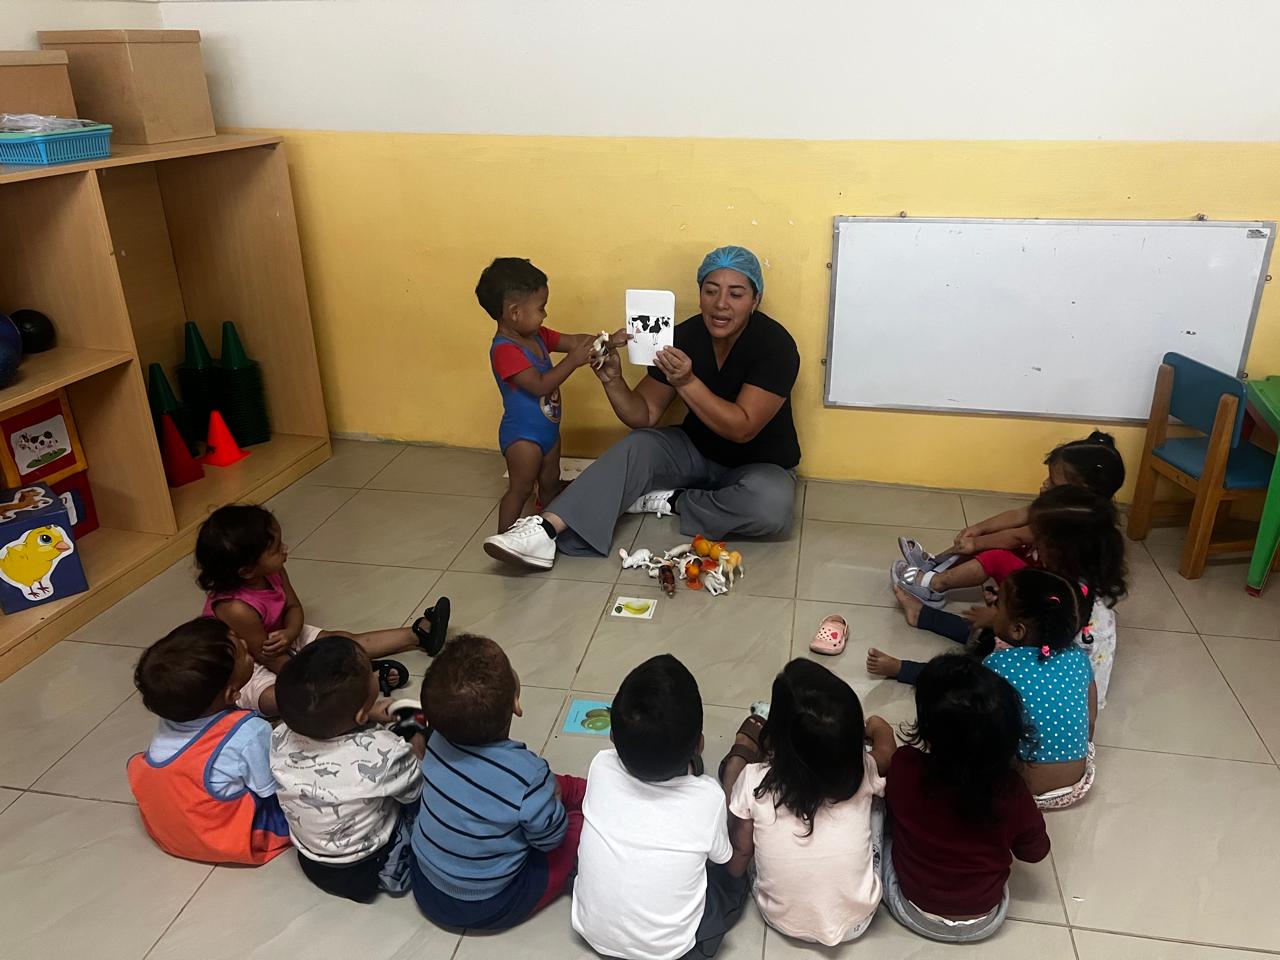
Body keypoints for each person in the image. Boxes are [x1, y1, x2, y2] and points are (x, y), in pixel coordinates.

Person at [483, 245, 800, 570]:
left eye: (736, 294)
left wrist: (686, 381)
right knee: (639, 444)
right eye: (711, 291)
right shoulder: (684, 336)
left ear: (755, 300)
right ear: (700, 295)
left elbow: (742, 428)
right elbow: (644, 414)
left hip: (759, 465)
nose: (721, 303)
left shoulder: (775, 345)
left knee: (771, 507)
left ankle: (674, 500)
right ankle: (546, 530)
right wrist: (613, 380)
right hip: (696, 450)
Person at [876, 484, 1126, 706]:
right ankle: (923, 615)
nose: (1034, 547)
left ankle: (909, 670)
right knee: (988, 626)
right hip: (1042, 646)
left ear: (1062, 550)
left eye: (1040, 542)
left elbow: (1033, 645)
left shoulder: (1070, 600)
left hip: (1044, 681)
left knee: (973, 672)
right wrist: (1001, 611)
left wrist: (998, 618)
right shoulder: (1075, 580)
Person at [871, 567, 1099, 807]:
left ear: (1017, 630)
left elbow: (980, 724)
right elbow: (1091, 718)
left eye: (998, 607)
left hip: (1018, 790)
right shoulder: (1078, 657)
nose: (992, 610)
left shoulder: (998, 664)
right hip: (1076, 783)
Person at [195, 503, 451, 717]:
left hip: (281, 633)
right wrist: (314, 676)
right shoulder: (235, 608)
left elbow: (293, 607)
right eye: (275, 549)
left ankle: (417, 634)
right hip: (245, 663)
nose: (285, 549)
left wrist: (291, 632)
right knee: (278, 697)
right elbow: (269, 658)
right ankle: (354, 690)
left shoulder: (274, 571)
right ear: (247, 570)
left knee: (341, 641)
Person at [573, 654, 749, 960]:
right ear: (699, 745)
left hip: (594, 933)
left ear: (613, 737)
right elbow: (722, 858)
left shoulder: (600, 766)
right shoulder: (708, 798)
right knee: (729, 883)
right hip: (673, 952)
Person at [410, 634, 586, 930]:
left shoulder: (435, 741)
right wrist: (555, 811)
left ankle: (569, 791)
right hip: (492, 904)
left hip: (426, 884)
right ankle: (582, 795)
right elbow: (549, 840)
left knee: (535, 791)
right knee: (576, 826)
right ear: (516, 704)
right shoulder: (527, 773)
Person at [717, 659, 895, 947]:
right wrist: (878, 727)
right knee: (875, 803)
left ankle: (742, 754)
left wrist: (728, 879)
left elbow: (741, 851)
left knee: (744, 808)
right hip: (858, 920)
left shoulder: (755, 779)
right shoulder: (863, 769)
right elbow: (887, 754)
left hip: (780, 916)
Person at [882, 655, 1050, 943]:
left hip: (911, 908)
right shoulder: (1012, 792)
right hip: (984, 918)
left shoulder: (905, 766)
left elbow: (892, 811)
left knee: (880, 819)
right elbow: (1035, 852)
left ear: (928, 731)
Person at [477, 257, 627, 531]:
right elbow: (540, 385)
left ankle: (546, 532)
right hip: (523, 438)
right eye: (541, 308)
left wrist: (606, 341)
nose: (544, 315)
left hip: (549, 432)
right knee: (520, 489)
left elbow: (575, 341)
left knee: (550, 483)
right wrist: (572, 361)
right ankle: (504, 537)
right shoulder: (505, 350)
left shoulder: (537, 335)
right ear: (514, 312)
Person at [270, 636, 423, 902]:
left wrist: (366, 714)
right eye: (371, 670)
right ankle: (397, 869)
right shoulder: (384, 751)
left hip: (312, 859)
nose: (375, 673)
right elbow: (415, 791)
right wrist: (416, 743)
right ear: (360, 716)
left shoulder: (279, 736)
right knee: (423, 793)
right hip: (367, 866)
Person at [127, 617, 291, 865]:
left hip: (176, 836)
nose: (245, 643)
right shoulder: (249, 731)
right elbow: (272, 788)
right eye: (243, 653)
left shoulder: (172, 717)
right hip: (235, 838)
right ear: (232, 693)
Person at [893, 431, 1125, 605]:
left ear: (1082, 490)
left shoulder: (1074, 521)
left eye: (1053, 482)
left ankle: (934, 585)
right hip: (1042, 564)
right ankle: (935, 564)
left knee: (995, 555)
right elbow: (1020, 514)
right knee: (990, 538)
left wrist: (976, 543)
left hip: (1051, 589)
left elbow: (1016, 537)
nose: (1045, 484)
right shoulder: (1066, 506)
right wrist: (979, 529)